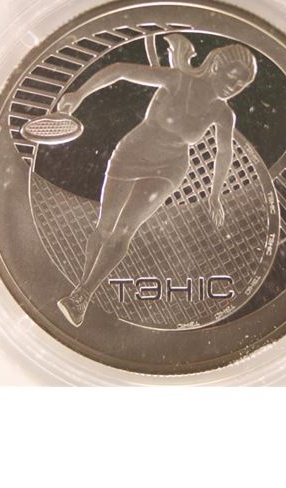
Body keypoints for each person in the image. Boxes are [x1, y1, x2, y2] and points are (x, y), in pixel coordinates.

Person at [57, 35, 257, 326]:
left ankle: (83, 295)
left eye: (241, 84)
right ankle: (83, 288)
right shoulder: (177, 80)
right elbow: (121, 70)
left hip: (170, 168)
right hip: (131, 154)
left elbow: (224, 152)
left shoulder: (223, 113)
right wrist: (79, 94)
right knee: (105, 226)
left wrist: (215, 194)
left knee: (125, 229)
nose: (234, 86)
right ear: (216, 66)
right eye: (232, 77)